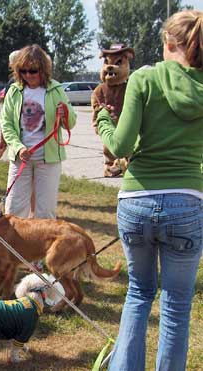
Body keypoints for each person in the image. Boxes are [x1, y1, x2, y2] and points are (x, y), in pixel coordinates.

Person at [96, 10, 203, 371]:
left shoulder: (144, 78)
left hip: (136, 200)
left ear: (168, 43)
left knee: (138, 294)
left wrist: (104, 121)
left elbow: (120, 146)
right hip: (187, 202)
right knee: (176, 305)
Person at [0, 44, 76, 219]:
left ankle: (42, 245)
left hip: (48, 159)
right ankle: (14, 246)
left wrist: (65, 114)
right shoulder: (14, 91)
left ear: (42, 69)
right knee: (13, 209)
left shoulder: (56, 89)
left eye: (33, 71)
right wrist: (18, 147)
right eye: (24, 71)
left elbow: (70, 123)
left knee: (45, 212)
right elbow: (6, 123)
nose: (28, 75)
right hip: (21, 158)